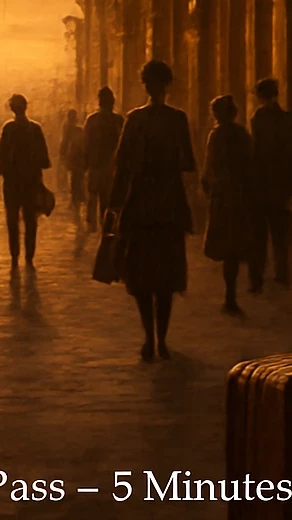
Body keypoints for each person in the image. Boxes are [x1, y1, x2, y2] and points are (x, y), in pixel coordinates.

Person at [109, 60, 197, 361]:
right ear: (167, 86)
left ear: (144, 85)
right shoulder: (178, 119)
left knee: (142, 276)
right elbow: (188, 162)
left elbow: (121, 167)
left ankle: (148, 338)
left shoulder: (134, 119)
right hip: (169, 204)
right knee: (166, 277)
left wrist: (114, 206)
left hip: (141, 204)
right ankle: (162, 339)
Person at [201, 94, 260, 314]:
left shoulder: (215, 136)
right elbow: (251, 164)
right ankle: (232, 295)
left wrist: (208, 188)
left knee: (227, 249)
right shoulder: (242, 134)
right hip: (240, 196)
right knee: (235, 248)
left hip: (223, 198)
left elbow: (209, 167)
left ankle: (230, 295)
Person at [250, 77, 292, 290]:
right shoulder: (288, 119)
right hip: (282, 183)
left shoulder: (259, 118)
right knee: (280, 233)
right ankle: (282, 272)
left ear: (260, 97)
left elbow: (256, 151)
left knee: (259, 234)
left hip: (262, 183)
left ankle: (257, 277)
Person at [0, 93, 51, 270]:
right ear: (26, 107)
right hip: (32, 181)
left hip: (11, 182)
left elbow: (1, 154)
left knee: (12, 219)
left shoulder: (8, 128)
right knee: (30, 219)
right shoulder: (35, 128)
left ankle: (14, 254)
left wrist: (0, 170)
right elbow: (44, 159)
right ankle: (29, 254)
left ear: (12, 108)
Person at [83, 87, 125, 230]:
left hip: (96, 166)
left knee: (93, 196)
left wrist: (85, 164)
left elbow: (86, 144)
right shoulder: (118, 120)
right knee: (107, 201)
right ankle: (105, 227)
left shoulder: (92, 120)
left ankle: (92, 225)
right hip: (111, 167)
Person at [60, 108, 88, 216]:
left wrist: (62, 155)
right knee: (77, 181)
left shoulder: (70, 129)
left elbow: (65, 143)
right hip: (78, 160)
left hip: (74, 159)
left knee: (75, 181)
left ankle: (76, 204)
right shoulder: (78, 130)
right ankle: (77, 203)